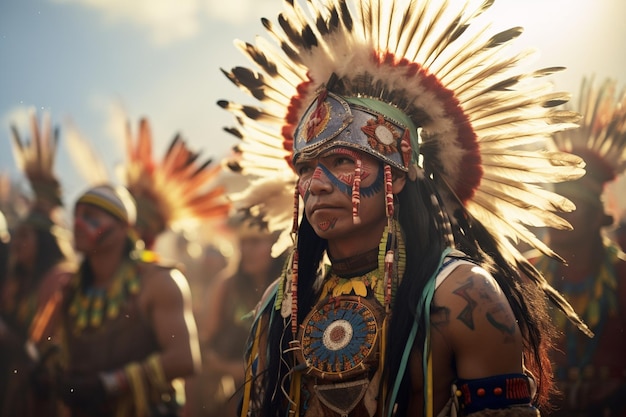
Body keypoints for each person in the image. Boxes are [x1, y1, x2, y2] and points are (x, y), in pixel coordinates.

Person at [217, 1, 591, 415]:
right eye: (305, 168)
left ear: (394, 175)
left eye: (342, 161)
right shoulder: (282, 303)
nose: (316, 184)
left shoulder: (463, 295)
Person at [53, 184, 201, 417]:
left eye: (90, 217)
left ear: (123, 227)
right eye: (77, 215)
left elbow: (184, 359)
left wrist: (109, 384)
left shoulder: (159, 281)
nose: (78, 224)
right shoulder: (72, 288)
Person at [531, 77, 626, 417]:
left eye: (571, 205)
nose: (557, 214)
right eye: (553, 203)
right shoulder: (525, 277)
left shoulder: (622, 275)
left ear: (598, 217)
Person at [192, 180, 290, 417]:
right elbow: (204, 344)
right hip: (231, 398)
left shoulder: (291, 289)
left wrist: (227, 368)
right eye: (243, 242)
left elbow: (280, 364)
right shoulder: (226, 285)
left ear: (276, 244)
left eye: (255, 242)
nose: (246, 249)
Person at [0, 112, 75, 417]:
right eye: (16, 235)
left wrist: (8, 337)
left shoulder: (60, 279)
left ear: (44, 242)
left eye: (26, 236)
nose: (17, 242)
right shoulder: (16, 278)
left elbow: (48, 351)